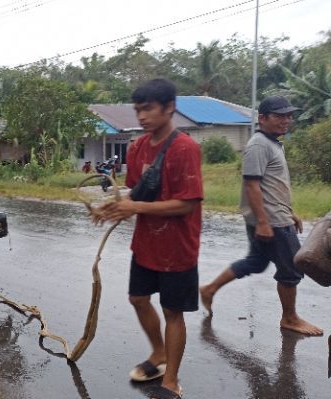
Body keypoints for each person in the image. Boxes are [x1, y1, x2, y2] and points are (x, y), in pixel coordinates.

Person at [94, 78, 203, 399]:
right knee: (138, 299)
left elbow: (188, 203)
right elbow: (136, 192)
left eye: (148, 109)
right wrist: (111, 208)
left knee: (173, 311)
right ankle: (159, 352)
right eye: (137, 110)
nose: (142, 117)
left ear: (170, 108)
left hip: (178, 247)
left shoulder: (186, 148)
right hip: (146, 242)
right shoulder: (138, 147)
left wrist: (135, 206)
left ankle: (171, 380)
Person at [199, 96, 323, 337]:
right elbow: (251, 186)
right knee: (292, 269)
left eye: (289, 115)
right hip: (271, 221)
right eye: (279, 116)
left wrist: (290, 212)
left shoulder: (272, 142)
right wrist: (265, 222)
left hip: (276, 216)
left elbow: (273, 186)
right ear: (262, 118)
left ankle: (210, 289)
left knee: (256, 262)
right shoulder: (258, 145)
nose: (286, 120)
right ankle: (289, 318)